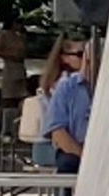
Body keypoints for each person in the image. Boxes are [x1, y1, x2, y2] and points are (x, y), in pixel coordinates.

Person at [39, 36, 94, 175]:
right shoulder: (65, 86)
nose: (91, 61)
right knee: (69, 162)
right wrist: (85, 157)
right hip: (74, 151)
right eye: (81, 55)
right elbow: (58, 133)